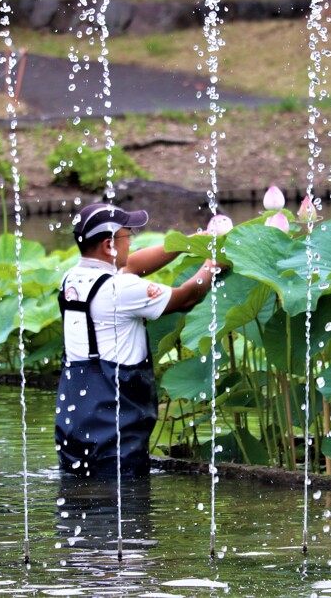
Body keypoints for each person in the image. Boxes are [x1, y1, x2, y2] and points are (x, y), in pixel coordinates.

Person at [55, 202, 221, 477]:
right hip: (116, 430)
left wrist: (186, 243)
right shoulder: (123, 289)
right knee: (125, 506)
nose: (131, 241)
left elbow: (130, 265)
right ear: (109, 245)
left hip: (77, 424)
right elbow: (187, 297)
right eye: (128, 235)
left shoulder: (71, 279)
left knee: (80, 498)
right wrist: (212, 265)